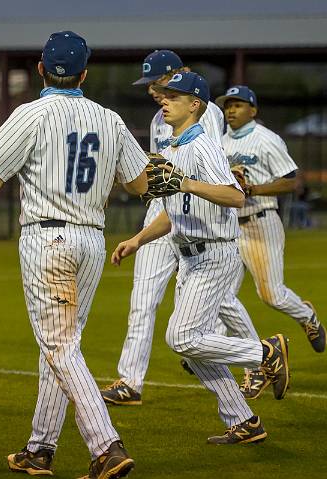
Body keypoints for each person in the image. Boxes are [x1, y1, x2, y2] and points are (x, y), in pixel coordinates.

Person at [0, 31, 148, 479]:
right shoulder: (109, 117)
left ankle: (106, 447)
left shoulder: (31, 113)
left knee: (60, 346)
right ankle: (40, 448)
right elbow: (141, 185)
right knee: (62, 347)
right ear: (85, 73)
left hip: (48, 241)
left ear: (41, 68)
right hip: (90, 240)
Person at [111, 71, 290, 444]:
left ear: (195, 105)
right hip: (190, 256)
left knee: (182, 337)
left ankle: (265, 351)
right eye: (165, 96)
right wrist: (138, 239)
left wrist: (187, 182)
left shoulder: (203, 146)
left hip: (213, 254)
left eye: (174, 97)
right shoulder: (174, 148)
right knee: (195, 352)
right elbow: (173, 212)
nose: (165, 100)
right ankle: (243, 421)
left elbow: (235, 196)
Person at [100, 49, 241, 406]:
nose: (152, 90)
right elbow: (163, 175)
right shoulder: (158, 121)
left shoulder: (201, 119)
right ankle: (130, 381)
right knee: (143, 298)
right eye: (149, 84)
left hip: (206, 221)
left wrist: (195, 183)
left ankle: (259, 358)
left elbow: (211, 172)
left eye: (158, 82)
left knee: (213, 310)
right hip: (167, 213)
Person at [213, 85, 327, 400]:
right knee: (223, 298)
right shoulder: (219, 142)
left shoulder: (266, 139)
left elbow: (293, 181)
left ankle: (307, 317)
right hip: (229, 230)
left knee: (272, 295)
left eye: (238, 104)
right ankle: (251, 367)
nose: (231, 110)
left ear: (254, 110)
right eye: (227, 105)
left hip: (261, 223)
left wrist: (254, 190)